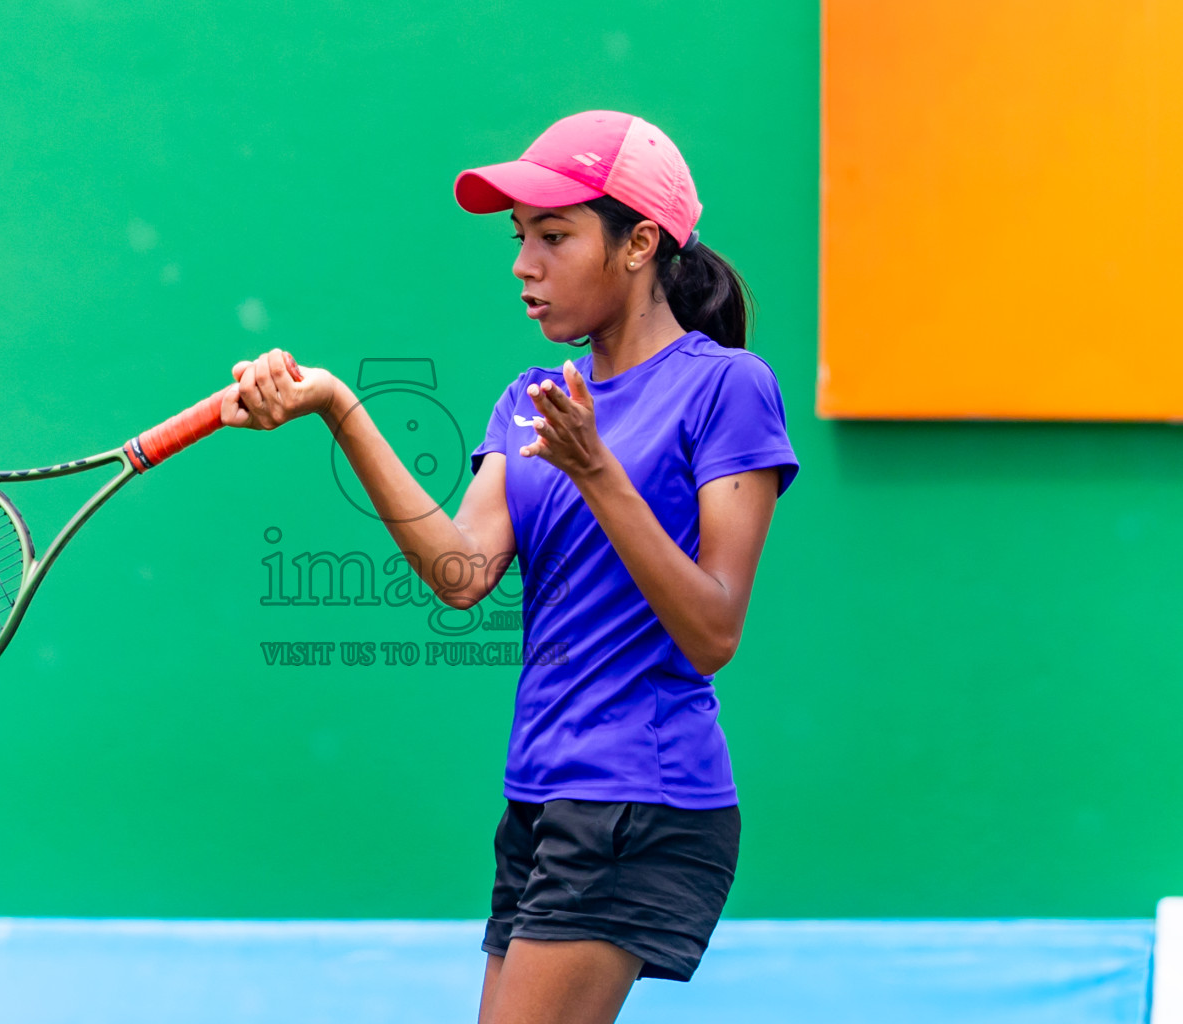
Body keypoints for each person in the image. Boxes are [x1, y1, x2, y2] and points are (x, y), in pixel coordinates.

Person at [221, 110, 799, 1024]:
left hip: (639, 797)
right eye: (521, 238)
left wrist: (597, 471)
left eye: (555, 236)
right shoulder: (530, 402)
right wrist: (338, 407)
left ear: (640, 243)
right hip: (542, 798)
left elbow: (714, 629)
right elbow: (461, 574)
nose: (525, 264)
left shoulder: (726, 387)